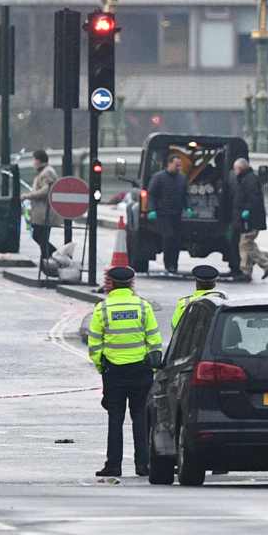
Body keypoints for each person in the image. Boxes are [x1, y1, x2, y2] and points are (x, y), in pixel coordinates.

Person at [86, 266, 162, 477]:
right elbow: (154, 340)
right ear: (131, 283)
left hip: (114, 372)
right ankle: (143, 465)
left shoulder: (102, 309)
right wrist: (152, 367)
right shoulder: (143, 306)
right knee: (140, 418)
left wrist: (102, 366)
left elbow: (94, 343)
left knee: (115, 419)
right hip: (140, 371)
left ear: (111, 283)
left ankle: (113, 465)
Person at [228, 158, 268, 282]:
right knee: (247, 243)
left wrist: (246, 211)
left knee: (245, 244)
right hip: (249, 219)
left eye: (235, 168)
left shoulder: (249, 180)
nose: (234, 171)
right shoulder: (247, 178)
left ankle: (266, 264)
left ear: (240, 168)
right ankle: (247, 271)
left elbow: (253, 199)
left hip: (250, 220)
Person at [147, 155, 190, 273]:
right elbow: (151, 195)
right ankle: (168, 264)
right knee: (168, 237)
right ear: (169, 164)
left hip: (177, 214)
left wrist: (188, 207)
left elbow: (185, 195)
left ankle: (174, 264)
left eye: (179, 165)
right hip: (163, 214)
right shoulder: (159, 178)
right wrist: (152, 210)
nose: (178, 167)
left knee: (176, 240)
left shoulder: (182, 178)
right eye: (177, 165)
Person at [22, 150, 58, 259]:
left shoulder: (47, 172)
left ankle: (56, 255)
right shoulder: (43, 172)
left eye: (34, 160)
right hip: (41, 212)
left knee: (39, 236)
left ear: (38, 160)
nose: (33, 163)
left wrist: (28, 195)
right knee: (40, 237)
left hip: (45, 212)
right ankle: (47, 259)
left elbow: (47, 190)